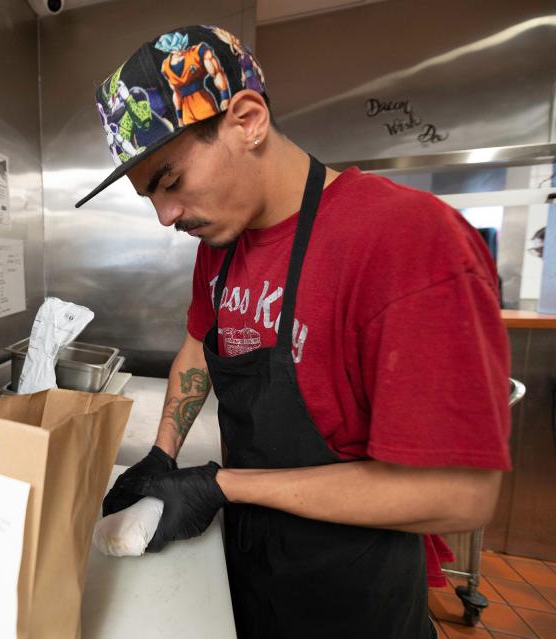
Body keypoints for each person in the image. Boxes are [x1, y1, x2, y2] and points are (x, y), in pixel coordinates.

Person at [75, 25, 511, 639]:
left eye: (169, 181)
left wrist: (220, 484)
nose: (165, 216)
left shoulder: (410, 241)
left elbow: (458, 494)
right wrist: (162, 454)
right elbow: (201, 344)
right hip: (248, 567)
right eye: (148, 194)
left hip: (350, 600)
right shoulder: (221, 246)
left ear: (248, 119)